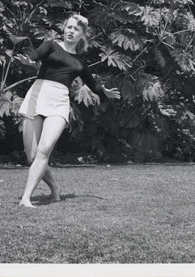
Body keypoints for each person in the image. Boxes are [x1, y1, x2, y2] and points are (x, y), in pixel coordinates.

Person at [16, 14, 120, 208]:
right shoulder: (51, 45)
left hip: (59, 103)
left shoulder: (79, 63)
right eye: (69, 27)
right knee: (32, 156)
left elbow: (93, 84)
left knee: (44, 149)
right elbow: (35, 57)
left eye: (76, 29)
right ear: (64, 29)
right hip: (37, 96)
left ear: (82, 35)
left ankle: (26, 198)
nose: (71, 31)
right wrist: (29, 62)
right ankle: (54, 186)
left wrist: (104, 91)